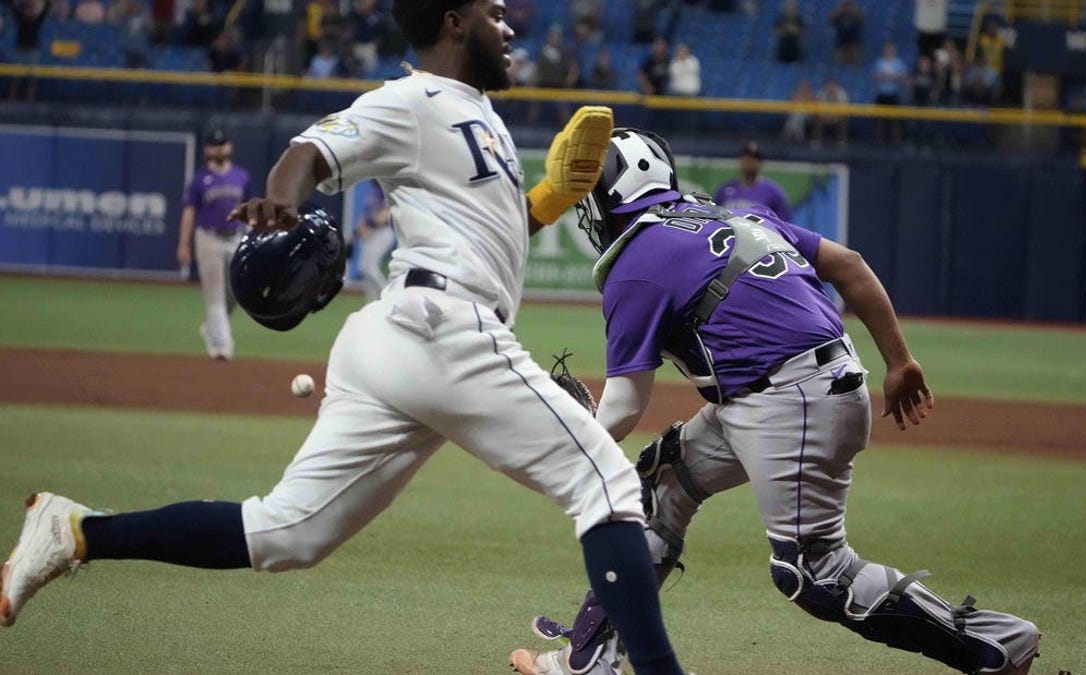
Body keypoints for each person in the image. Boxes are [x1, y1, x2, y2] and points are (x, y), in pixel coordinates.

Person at [0, 5, 692, 675]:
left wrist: (546, 197)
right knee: (606, 481)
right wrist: (284, 198)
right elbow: (311, 149)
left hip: (400, 339)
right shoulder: (414, 99)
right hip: (440, 326)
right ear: (453, 23)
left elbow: (492, 238)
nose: (509, 28)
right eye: (494, 12)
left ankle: (75, 530)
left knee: (286, 534)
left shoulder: (479, 114)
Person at [507, 127, 1042, 675]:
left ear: (611, 195)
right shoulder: (735, 217)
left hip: (791, 400)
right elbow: (850, 265)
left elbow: (622, 408)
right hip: (777, 394)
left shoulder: (637, 262)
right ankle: (591, 659)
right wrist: (900, 362)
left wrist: (564, 439)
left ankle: (993, 645)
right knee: (660, 481)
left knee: (814, 574)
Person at [176, 128, 254, 361]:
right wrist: (183, 244)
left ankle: (213, 328)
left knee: (238, 293)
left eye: (222, 144)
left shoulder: (242, 176)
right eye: (214, 145)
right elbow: (189, 211)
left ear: (229, 147)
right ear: (207, 149)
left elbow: (250, 209)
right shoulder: (200, 179)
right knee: (215, 295)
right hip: (208, 238)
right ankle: (222, 347)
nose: (218, 148)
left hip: (236, 236)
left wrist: (252, 236)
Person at [713, 140, 791, 221]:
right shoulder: (725, 190)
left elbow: (784, 223)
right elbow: (714, 217)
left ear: (761, 163)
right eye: (745, 158)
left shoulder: (773, 192)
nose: (749, 162)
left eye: (754, 159)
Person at [354, 179, 393, 303]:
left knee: (370, 268)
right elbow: (366, 215)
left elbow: (386, 214)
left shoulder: (386, 191)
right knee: (363, 269)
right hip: (372, 233)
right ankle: (371, 302)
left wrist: (371, 225)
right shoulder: (373, 191)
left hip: (384, 232)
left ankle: (389, 298)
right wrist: (356, 234)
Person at [829, 0, 864, 65]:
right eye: (845, 5)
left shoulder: (855, 15)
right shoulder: (839, 16)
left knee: (856, 63)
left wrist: (854, 12)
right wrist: (839, 11)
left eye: (848, 5)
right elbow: (830, 20)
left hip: (854, 43)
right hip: (841, 43)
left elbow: (862, 22)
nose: (846, 7)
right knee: (838, 63)